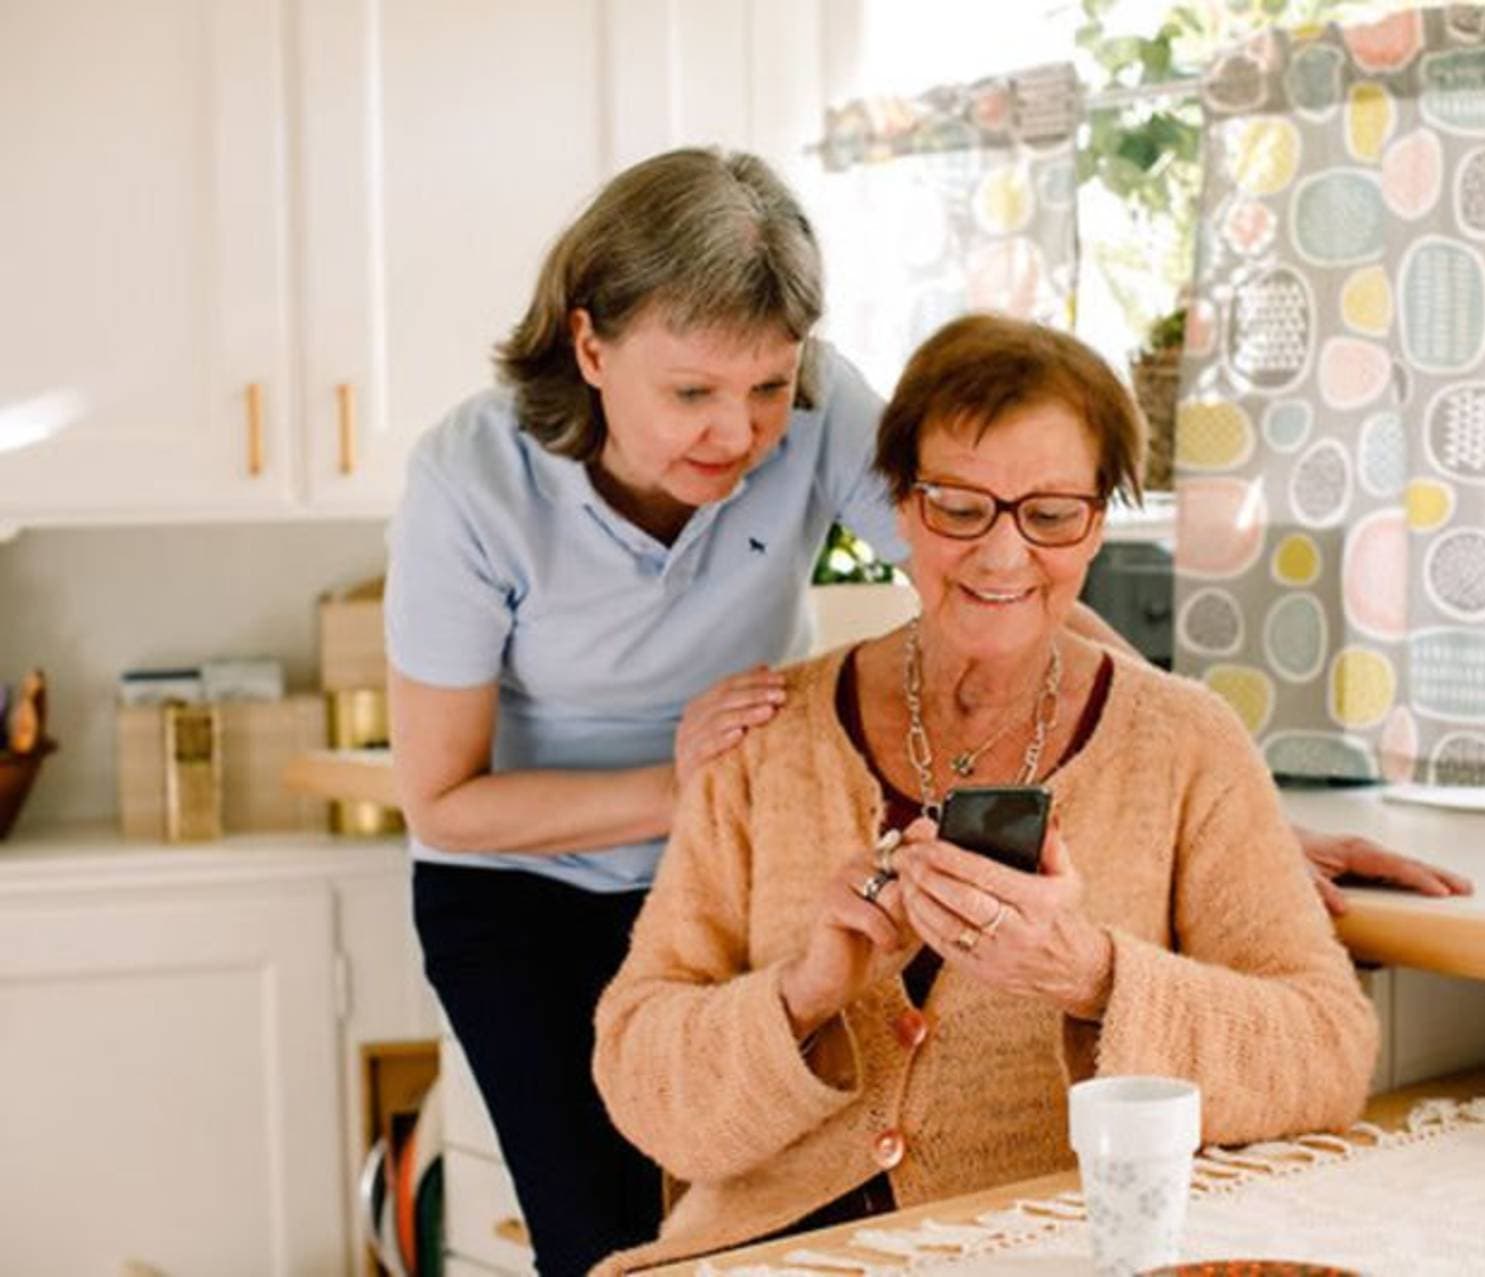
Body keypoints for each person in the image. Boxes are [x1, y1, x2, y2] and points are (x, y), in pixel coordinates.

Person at [385, 148, 1151, 1275]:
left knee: (779, 1231)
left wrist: (1201, 756)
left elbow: (1006, 583)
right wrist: (676, 788)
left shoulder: (822, 406)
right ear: (590, 345)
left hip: (741, 869)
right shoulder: (471, 481)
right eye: (691, 391)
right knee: (613, 1247)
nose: (738, 433)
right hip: (526, 903)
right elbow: (445, 806)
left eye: (767, 387)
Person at [588, 315, 1383, 1273]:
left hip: (1047, 1253)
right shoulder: (766, 740)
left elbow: (1327, 1049)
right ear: (900, 505)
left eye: (1050, 514)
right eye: (961, 506)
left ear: (1097, 520)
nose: (1003, 556)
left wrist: (1090, 974)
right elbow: (637, 1070)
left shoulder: (1188, 743)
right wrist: (805, 996)